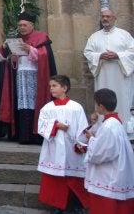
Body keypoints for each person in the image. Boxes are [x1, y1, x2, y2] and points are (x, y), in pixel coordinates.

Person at [0, 12, 57, 144]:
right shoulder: (17, 39)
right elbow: (4, 59)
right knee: (22, 105)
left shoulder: (41, 37)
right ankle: (23, 136)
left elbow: (45, 56)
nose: (22, 27)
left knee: (36, 104)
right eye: (20, 25)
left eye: (24, 25)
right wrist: (13, 58)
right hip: (20, 76)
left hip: (36, 77)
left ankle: (36, 136)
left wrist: (30, 49)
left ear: (31, 25)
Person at [37, 75, 89, 214]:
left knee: (75, 178)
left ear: (64, 88)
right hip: (54, 148)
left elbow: (83, 128)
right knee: (56, 179)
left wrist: (81, 144)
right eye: (50, 86)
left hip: (72, 149)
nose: (51, 88)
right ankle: (57, 206)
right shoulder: (47, 108)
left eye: (54, 86)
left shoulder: (76, 107)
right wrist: (56, 125)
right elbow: (41, 127)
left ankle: (78, 205)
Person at [83, 88, 134, 213]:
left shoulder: (109, 126)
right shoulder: (113, 122)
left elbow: (101, 154)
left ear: (101, 106)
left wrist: (91, 140)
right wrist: (94, 124)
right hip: (115, 172)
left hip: (108, 177)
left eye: (96, 104)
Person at [83, 8, 134, 129]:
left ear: (114, 18)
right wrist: (99, 55)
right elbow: (88, 53)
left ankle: (124, 128)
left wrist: (118, 55)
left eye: (108, 16)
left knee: (122, 100)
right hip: (103, 76)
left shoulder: (124, 35)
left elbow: (132, 51)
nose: (105, 19)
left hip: (120, 75)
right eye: (103, 16)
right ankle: (103, 128)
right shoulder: (94, 37)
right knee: (103, 99)